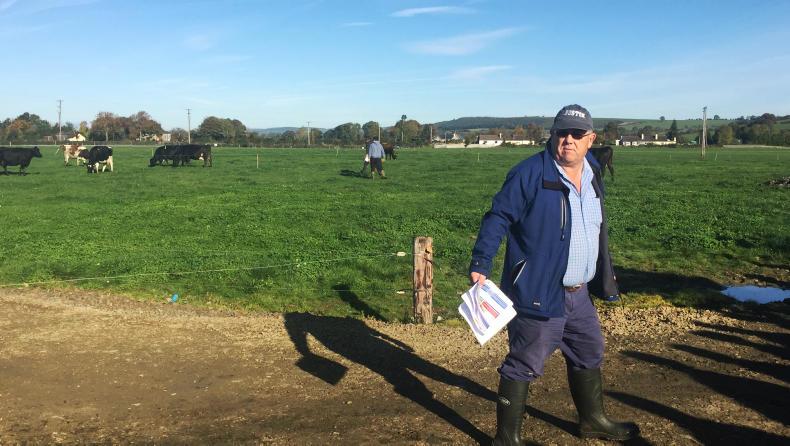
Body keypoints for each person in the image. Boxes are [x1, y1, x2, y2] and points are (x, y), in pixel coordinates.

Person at [469, 104, 639, 444]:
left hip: (580, 294)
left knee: (589, 351)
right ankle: (507, 439)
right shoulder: (529, 173)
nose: (568, 140)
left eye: (577, 134)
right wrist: (481, 263)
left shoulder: (592, 171)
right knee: (524, 363)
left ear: (591, 139)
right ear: (553, 135)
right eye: (562, 132)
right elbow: (498, 216)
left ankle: (592, 420)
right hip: (539, 289)